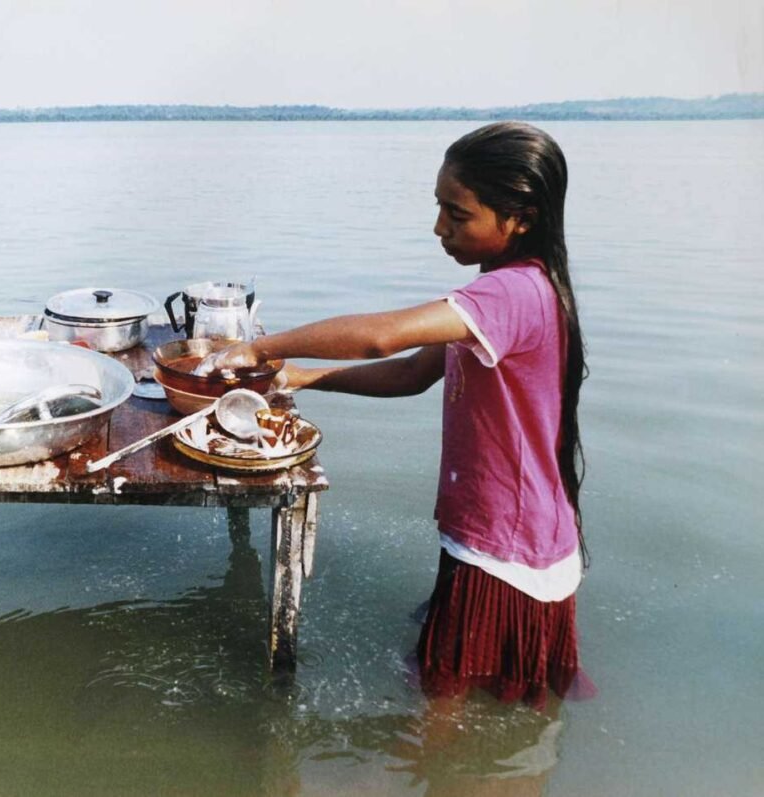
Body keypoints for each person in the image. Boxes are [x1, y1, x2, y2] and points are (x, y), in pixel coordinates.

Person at [197, 121, 592, 709]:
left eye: (457, 215)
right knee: (510, 701)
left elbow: (383, 339)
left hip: (501, 551)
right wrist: (308, 377)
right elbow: (411, 374)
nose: (439, 228)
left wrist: (262, 347)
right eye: (439, 208)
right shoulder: (509, 293)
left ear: (521, 217)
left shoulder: (508, 296)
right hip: (520, 538)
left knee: (442, 709)